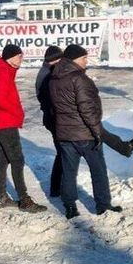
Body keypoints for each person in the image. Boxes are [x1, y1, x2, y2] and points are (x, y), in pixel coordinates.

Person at [48, 44, 120, 219]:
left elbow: (53, 107)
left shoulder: (54, 78)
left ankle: (70, 206)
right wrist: (97, 132)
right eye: (83, 58)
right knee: (98, 171)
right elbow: (87, 109)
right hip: (84, 134)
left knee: (69, 171)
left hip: (64, 134)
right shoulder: (79, 79)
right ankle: (103, 205)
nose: (86, 61)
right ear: (74, 60)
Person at [0, 44, 47, 212]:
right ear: (10, 57)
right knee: (17, 159)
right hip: (6, 122)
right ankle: (24, 200)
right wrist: (17, 112)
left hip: (1, 121)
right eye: (19, 56)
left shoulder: (1, 70)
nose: (21, 58)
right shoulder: (2, 72)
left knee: (4, 160)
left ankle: (1, 197)